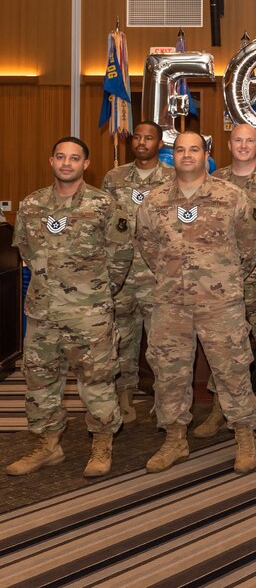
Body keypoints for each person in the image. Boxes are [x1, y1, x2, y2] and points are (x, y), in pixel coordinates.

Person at [137, 130, 256, 474]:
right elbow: (147, 246)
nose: (187, 155)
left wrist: (223, 279)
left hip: (220, 304)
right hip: (170, 304)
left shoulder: (232, 197)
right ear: (173, 156)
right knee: (169, 374)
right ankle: (175, 440)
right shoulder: (154, 200)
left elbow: (249, 247)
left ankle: (244, 436)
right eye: (180, 150)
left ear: (206, 154)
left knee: (233, 370)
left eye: (194, 149)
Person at [7, 137, 132, 477]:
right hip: (42, 312)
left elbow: (120, 257)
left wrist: (96, 294)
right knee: (40, 381)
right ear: (51, 161)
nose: (66, 163)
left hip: (88, 313)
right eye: (60, 157)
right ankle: (49, 446)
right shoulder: (32, 205)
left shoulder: (103, 204)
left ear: (85, 164)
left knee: (96, 380)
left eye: (74, 158)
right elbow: (26, 251)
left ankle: (102, 444)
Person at [194, 123, 256, 440]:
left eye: (250, 140)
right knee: (225, 350)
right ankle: (221, 408)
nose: (244, 145)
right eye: (238, 140)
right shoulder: (213, 181)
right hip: (224, 282)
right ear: (229, 143)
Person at [101, 121, 174, 423]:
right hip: (120, 275)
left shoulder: (172, 178)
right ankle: (124, 398)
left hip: (157, 275)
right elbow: (105, 223)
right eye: (138, 138)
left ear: (160, 144)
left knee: (162, 343)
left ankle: (165, 401)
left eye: (150, 138)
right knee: (122, 340)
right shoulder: (114, 178)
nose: (142, 142)